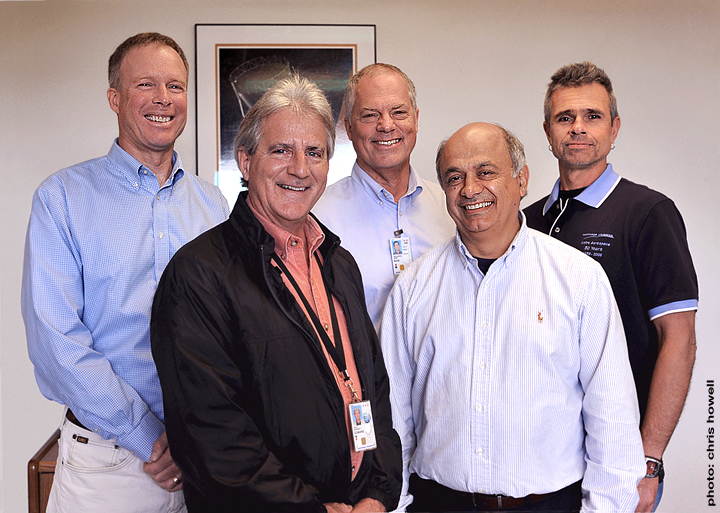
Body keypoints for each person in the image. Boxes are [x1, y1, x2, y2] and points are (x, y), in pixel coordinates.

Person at [151, 74, 402, 513]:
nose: (300, 169)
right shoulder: (197, 275)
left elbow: (374, 393)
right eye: (281, 150)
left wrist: (377, 495)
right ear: (245, 162)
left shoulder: (339, 265)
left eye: (315, 153)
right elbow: (213, 435)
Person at [381, 122, 645, 512]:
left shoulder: (579, 279)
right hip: (438, 502)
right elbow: (393, 423)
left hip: (549, 504)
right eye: (455, 177)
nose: (471, 189)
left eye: (486, 172)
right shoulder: (412, 289)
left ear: (521, 180)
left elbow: (613, 423)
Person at [21, 33, 229, 512]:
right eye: (146, 85)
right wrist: (148, 436)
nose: (163, 98)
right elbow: (57, 341)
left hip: (206, 459)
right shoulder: (63, 198)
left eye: (175, 86)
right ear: (115, 97)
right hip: (110, 467)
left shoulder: (213, 205)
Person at [523, 62, 698, 512]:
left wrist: (648, 462)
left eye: (592, 116)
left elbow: (678, 341)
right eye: (565, 118)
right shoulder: (529, 221)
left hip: (619, 461)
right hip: (542, 461)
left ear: (614, 127)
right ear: (547, 131)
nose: (578, 128)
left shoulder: (648, 213)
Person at [313, 64, 455, 328]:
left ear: (416, 119)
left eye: (399, 112)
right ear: (349, 127)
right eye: (370, 115)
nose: (386, 125)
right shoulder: (318, 219)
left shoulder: (451, 208)